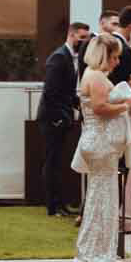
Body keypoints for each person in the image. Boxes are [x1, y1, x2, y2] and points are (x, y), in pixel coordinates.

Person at [71, 32, 131, 262]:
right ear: (104, 55)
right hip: (100, 141)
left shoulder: (90, 74)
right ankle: (94, 250)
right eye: (115, 57)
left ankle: (94, 247)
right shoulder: (96, 76)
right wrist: (125, 106)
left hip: (95, 140)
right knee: (103, 197)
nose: (117, 62)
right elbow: (99, 108)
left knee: (101, 195)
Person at [40, 22, 90, 216]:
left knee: (58, 161)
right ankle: (53, 206)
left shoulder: (71, 58)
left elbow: (67, 92)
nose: (84, 41)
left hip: (62, 116)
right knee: (52, 162)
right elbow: (51, 93)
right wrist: (60, 117)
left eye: (86, 38)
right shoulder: (59, 58)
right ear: (71, 35)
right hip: (53, 118)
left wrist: (80, 105)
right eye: (81, 37)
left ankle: (60, 203)